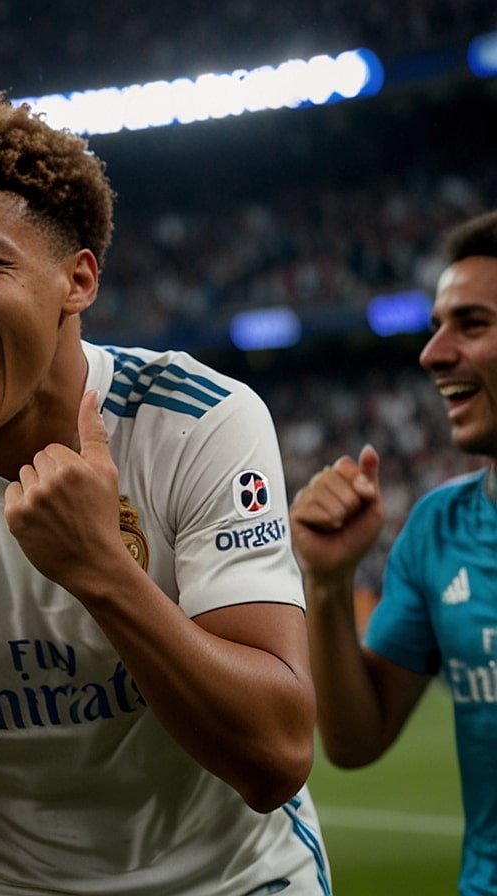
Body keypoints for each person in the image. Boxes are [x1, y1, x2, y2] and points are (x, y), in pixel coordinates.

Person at [0, 93, 330, 894]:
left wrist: (102, 569)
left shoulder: (199, 423)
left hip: (233, 881)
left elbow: (275, 759)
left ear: (77, 280)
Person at [292, 209, 497, 895]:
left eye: (472, 324)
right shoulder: (438, 526)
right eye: (438, 325)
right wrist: (327, 583)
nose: (433, 353)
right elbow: (354, 740)